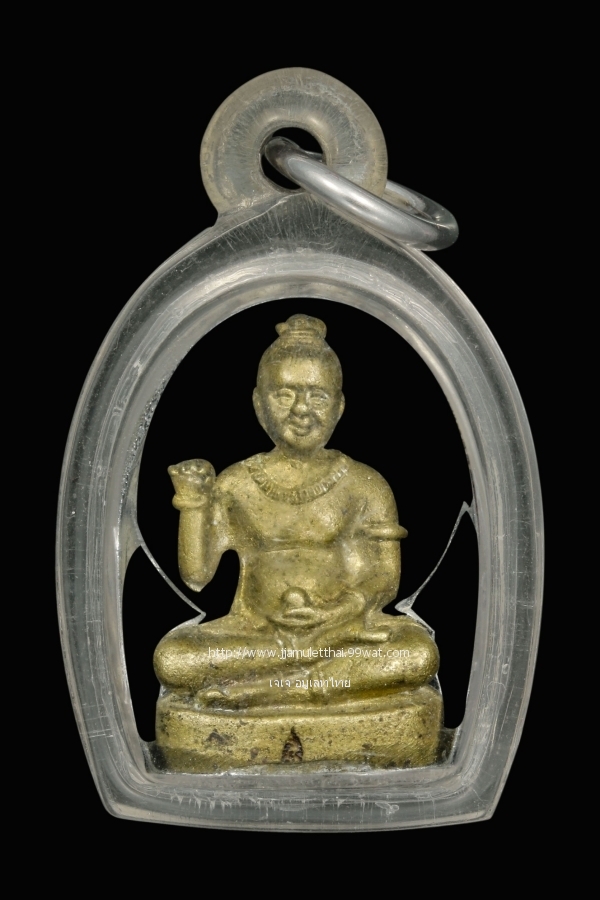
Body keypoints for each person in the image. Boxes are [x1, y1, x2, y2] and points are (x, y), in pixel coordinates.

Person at [154, 314, 439, 710]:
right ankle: (313, 681)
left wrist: (338, 612)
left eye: (317, 396)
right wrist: (194, 503)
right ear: (259, 404)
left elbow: (386, 579)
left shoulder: (365, 484)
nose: (301, 410)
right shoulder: (236, 483)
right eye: (285, 395)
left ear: (339, 407)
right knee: (174, 658)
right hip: (257, 637)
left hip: (342, 635)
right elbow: (197, 576)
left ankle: (269, 691)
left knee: (416, 652)